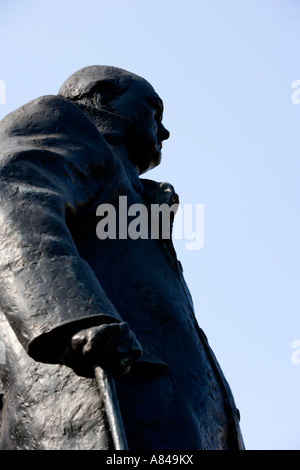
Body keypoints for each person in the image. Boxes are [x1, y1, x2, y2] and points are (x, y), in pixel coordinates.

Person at [0, 66, 244, 450]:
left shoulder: (138, 198)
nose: (164, 132)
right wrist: (75, 316)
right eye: (154, 112)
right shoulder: (65, 123)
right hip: (99, 389)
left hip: (179, 414)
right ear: (101, 98)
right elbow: (14, 196)